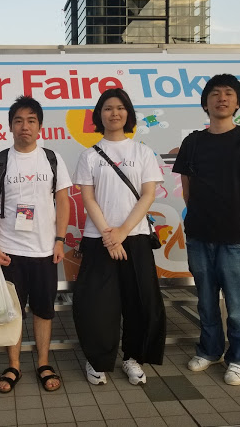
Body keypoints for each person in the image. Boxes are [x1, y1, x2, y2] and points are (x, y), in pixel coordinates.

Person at [173, 74, 240, 385]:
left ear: (238, 102)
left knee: (239, 307)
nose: (222, 98)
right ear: (205, 103)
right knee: (206, 302)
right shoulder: (193, 142)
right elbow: (187, 189)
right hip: (200, 237)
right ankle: (210, 350)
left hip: (237, 238)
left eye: (229, 93)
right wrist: (200, 218)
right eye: (215, 93)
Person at [0, 95, 71, 393]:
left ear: (40, 126)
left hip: (45, 251)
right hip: (9, 252)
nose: (24, 126)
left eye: (31, 121)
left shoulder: (52, 159)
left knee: (43, 310)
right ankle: (14, 365)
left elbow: (63, 202)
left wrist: (59, 240)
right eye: (18, 121)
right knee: (12, 312)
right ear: (10, 126)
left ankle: (43, 362)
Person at [72, 88, 166, 386]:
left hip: (135, 238)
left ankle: (132, 357)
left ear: (128, 114)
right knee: (97, 305)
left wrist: (122, 232)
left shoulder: (142, 152)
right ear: (99, 115)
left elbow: (148, 195)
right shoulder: (89, 155)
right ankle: (97, 359)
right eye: (108, 108)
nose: (114, 113)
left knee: (140, 302)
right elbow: (88, 198)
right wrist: (109, 236)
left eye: (120, 108)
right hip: (98, 239)